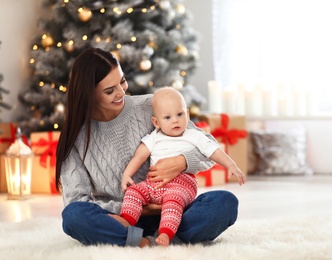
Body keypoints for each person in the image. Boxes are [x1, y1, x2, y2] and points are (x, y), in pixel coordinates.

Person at [55, 47, 244, 248]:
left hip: (174, 208)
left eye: (122, 81)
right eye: (109, 91)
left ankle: (157, 237)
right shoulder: (75, 137)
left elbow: (208, 146)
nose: (121, 92)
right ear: (89, 95)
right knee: (73, 216)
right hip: (121, 219)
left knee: (225, 202)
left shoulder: (149, 106)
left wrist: (182, 162)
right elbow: (77, 200)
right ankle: (142, 240)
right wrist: (137, 207)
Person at [120, 87, 245, 246]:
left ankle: (166, 233)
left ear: (187, 113)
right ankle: (127, 221)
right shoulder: (153, 138)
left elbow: (213, 150)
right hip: (153, 184)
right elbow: (139, 157)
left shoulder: (194, 136)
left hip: (182, 184)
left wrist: (231, 164)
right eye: (167, 117)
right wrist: (126, 175)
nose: (175, 120)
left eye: (180, 114)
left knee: (174, 201)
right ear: (156, 122)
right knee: (133, 192)